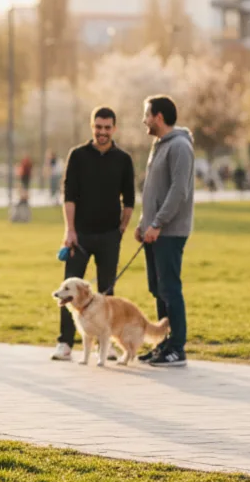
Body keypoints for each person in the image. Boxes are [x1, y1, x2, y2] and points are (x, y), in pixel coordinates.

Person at [51, 107, 136, 361]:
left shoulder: (123, 159)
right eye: (98, 127)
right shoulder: (77, 156)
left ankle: (104, 346)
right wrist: (70, 229)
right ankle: (65, 343)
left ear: (114, 129)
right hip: (80, 235)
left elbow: (129, 200)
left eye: (107, 127)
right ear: (92, 127)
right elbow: (69, 196)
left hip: (110, 235)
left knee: (107, 293)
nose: (102, 132)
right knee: (69, 290)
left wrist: (121, 229)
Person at [135, 95, 195, 369]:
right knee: (157, 288)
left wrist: (157, 224)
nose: (144, 120)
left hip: (169, 232)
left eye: (147, 115)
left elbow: (178, 191)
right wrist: (143, 222)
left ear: (158, 117)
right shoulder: (158, 145)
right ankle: (164, 343)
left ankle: (177, 347)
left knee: (170, 288)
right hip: (154, 230)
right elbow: (155, 190)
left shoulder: (180, 146)